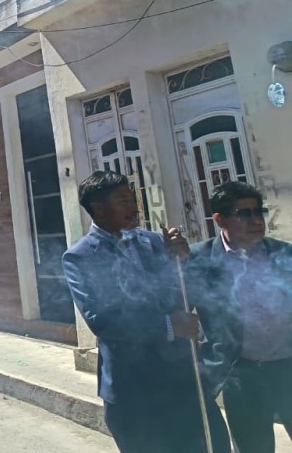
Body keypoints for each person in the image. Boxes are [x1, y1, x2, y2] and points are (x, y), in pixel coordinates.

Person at [61, 170, 230, 453]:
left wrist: (182, 261)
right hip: (134, 391)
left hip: (181, 379)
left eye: (133, 198)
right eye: (123, 200)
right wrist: (167, 325)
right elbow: (101, 321)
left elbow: (181, 298)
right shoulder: (81, 257)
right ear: (98, 208)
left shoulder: (154, 242)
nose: (133, 206)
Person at [187, 181, 292, 453]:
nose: (256, 221)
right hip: (241, 375)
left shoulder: (283, 254)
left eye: (259, 212)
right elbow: (176, 308)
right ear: (220, 219)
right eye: (244, 214)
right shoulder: (198, 260)